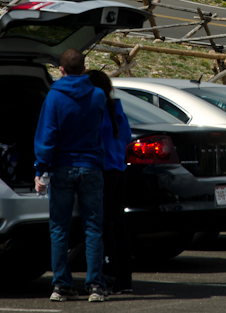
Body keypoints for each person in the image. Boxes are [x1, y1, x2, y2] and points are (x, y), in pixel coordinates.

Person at [34, 49, 108, 302]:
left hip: (62, 166)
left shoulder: (54, 96)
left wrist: (40, 170)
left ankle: (61, 284)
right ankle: (96, 285)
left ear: (61, 70)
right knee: (93, 228)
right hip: (91, 166)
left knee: (59, 228)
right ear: (84, 68)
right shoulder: (97, 95)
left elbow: (47, 135)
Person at [89, 70, 134, 294]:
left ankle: (110, 275)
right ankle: (125, 278)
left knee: (105, 225)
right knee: (118, 224)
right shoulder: (116, 107)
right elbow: (126, 137)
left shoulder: (97, 110)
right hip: (118, 169)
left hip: (104, 170)